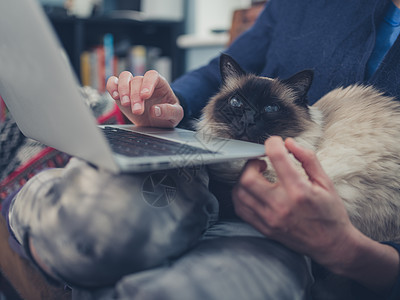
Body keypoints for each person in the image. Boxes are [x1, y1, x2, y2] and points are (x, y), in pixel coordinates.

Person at [3, 0, 400, 299]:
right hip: (216, 162)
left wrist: (350, 251)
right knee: (90, 225)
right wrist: (169, 103)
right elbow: (219, 72)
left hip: (325, 233)